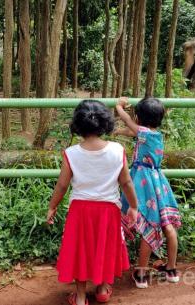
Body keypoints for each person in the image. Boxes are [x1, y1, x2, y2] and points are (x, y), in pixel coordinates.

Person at [47, 100, 138, 305]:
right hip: (108, 211)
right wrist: (133, 206)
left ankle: (80, 297)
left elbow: (62, 186)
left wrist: (52, 206)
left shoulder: (71, 153)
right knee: (104, 247)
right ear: (105, 123)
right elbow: (126, 182)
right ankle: (103, 289)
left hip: (80, 211)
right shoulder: (117, 150)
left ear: (77, 125)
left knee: (81, 251)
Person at [115, 96, 182, 289]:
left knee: (148, 225)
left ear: (137, 118)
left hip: (143, 183)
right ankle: (171, 269)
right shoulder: (155, 134)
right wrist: (119, 131)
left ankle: (141, 273)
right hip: (158, 181)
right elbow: (133, 132)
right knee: (167, 226)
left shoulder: (142, 131)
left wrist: (118, 107)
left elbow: (129, 123)